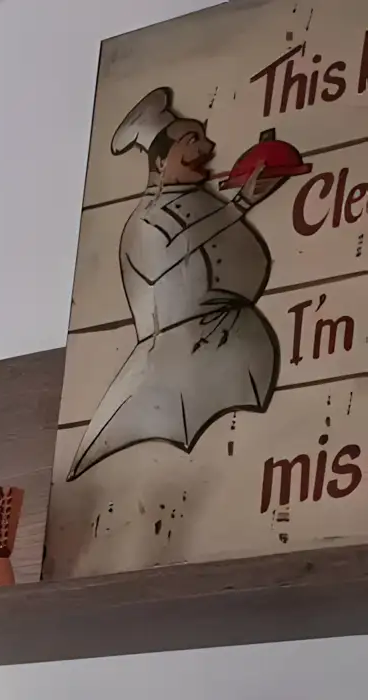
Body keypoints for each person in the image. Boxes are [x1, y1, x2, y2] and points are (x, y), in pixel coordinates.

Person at [68, 87, 284, 479]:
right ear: (162, 158)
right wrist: (240, 206)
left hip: (231, 344)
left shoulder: (203, 200)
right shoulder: (145, 222)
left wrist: (242, 202)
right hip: (180, 361)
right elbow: (172, 252)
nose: (209, 145)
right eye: (193, 140)